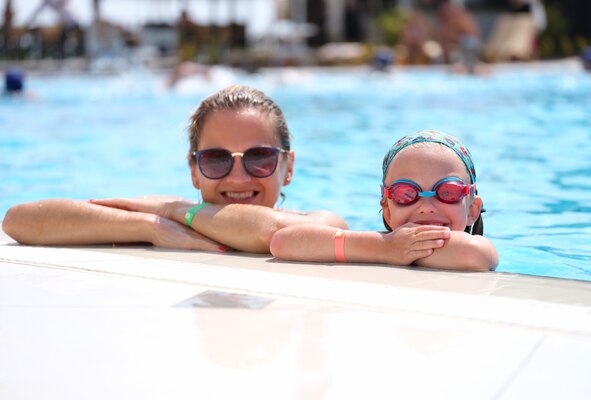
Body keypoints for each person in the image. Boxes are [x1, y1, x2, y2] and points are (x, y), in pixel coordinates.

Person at [2, 85, 347, 253]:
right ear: (194, 170)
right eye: (216, 159)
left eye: (259, 158)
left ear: (287, 167)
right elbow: (20, 220)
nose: (238, 177)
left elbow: (269, 234)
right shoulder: (171, 221)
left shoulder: (321, 223)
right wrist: (150, 225)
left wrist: (172, 211)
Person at [270, 130, 498, 272]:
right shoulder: (381, 244)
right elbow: (282, 242)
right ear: (387, 210)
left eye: (447, 192)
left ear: (472, 210)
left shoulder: (476, 250)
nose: (427, 207)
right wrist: (385, 248)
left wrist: (397, 251)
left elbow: (476, 253)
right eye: (406, 193)